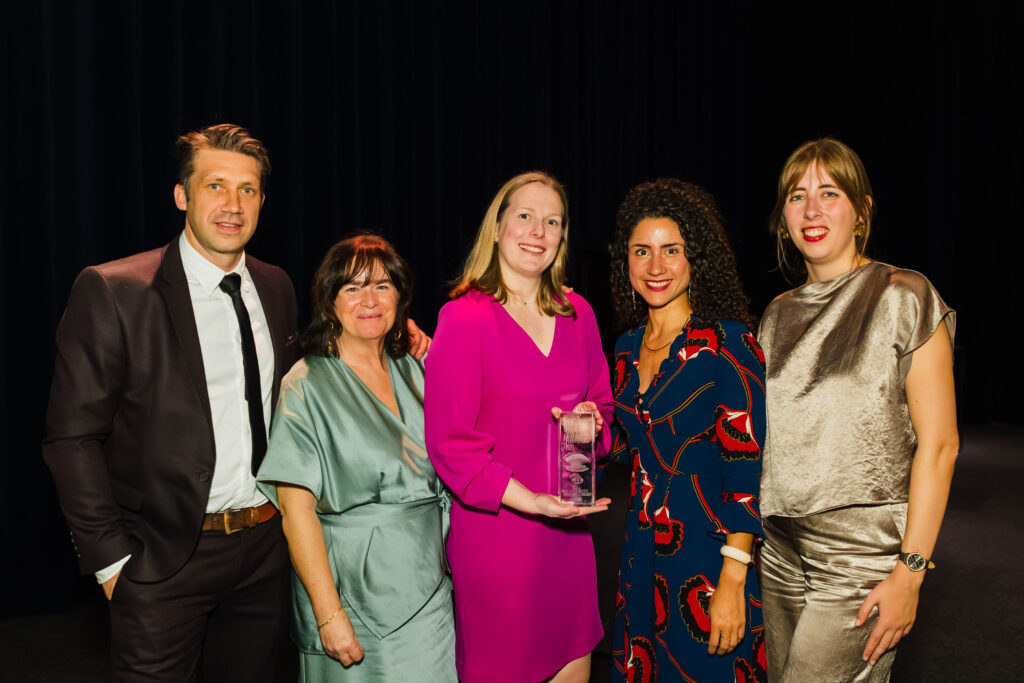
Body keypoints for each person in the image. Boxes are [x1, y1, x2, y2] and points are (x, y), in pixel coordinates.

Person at [40, 124, 429, 681]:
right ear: (182, 195)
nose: (233, 204)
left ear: (263, 202)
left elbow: (314, 372)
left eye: (247, 190)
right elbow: (71, 438)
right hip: (162, 559)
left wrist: (395, 336)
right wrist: (111, 563)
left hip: (265, 551)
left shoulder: (275, 285)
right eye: (216, 186)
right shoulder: (114, 291)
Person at [758, 138, 958, 682]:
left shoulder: (904, 295)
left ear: (862, 211)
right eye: (797, 196)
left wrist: (910, 573)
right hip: (778, 547)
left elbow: (941, 446)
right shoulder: (776, 314)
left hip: (859, 554)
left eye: (830, 193)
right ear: (783, 219)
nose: (812, 210)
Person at [424, 171, 613, 682]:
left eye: (552, 221)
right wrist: (531, 501)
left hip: (568, 537)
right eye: (524, 216)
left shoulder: (579, 314)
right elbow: (451, 446)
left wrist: (594, 424)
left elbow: (603, 410)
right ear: (496, 228)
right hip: (499, 541)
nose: (537, 231)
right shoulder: (464, 319)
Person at [256, 234, 456, 682]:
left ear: (400, 296)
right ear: (330, 300)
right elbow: (296, 512)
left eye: (382, 286)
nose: (369, 300)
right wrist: (328, 615)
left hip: (432, 589)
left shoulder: (419, 368)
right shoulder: (305, 385)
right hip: (352, 600)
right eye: (353, 288)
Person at [605, 178, 767, 682]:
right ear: (625, 261)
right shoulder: (626, 349)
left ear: (695, 256)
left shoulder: (729, 344)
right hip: (640, 554)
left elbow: (746, 473)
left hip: (710, 557)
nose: (656, 266)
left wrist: (733, 577)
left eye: (671, 250)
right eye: (642, 251)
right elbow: (627, 449)